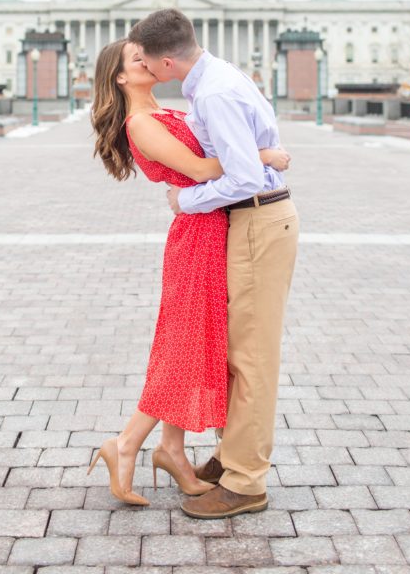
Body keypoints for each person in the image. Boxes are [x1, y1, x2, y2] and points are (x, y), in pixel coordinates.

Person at [89, 38, 289, 506]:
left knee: (196, 346)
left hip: (215, 227)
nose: (148, 61)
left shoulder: (167, 109)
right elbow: (201, 168)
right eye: (136, 60)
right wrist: (261, 156)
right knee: (183, 346)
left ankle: (172, 450)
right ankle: (126, 444)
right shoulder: (141, 122)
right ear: (120, 78)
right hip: (197, 238)